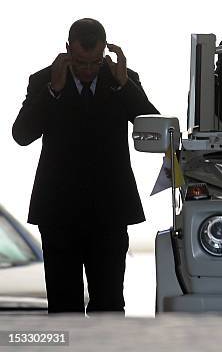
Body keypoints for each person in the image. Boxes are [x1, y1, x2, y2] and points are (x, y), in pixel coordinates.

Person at [12, 18, 159, 314]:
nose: (88, 70)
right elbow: (22, 135)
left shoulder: (122, 78)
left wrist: (124, 86)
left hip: (110, 210)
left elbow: (154, 130)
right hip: (58, 211)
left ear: (105, 52)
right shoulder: (44, 80)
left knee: (109, 303)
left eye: (94, 62)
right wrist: (53, 91)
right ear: (67, 51)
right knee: (63, 304)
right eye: (80, 62)